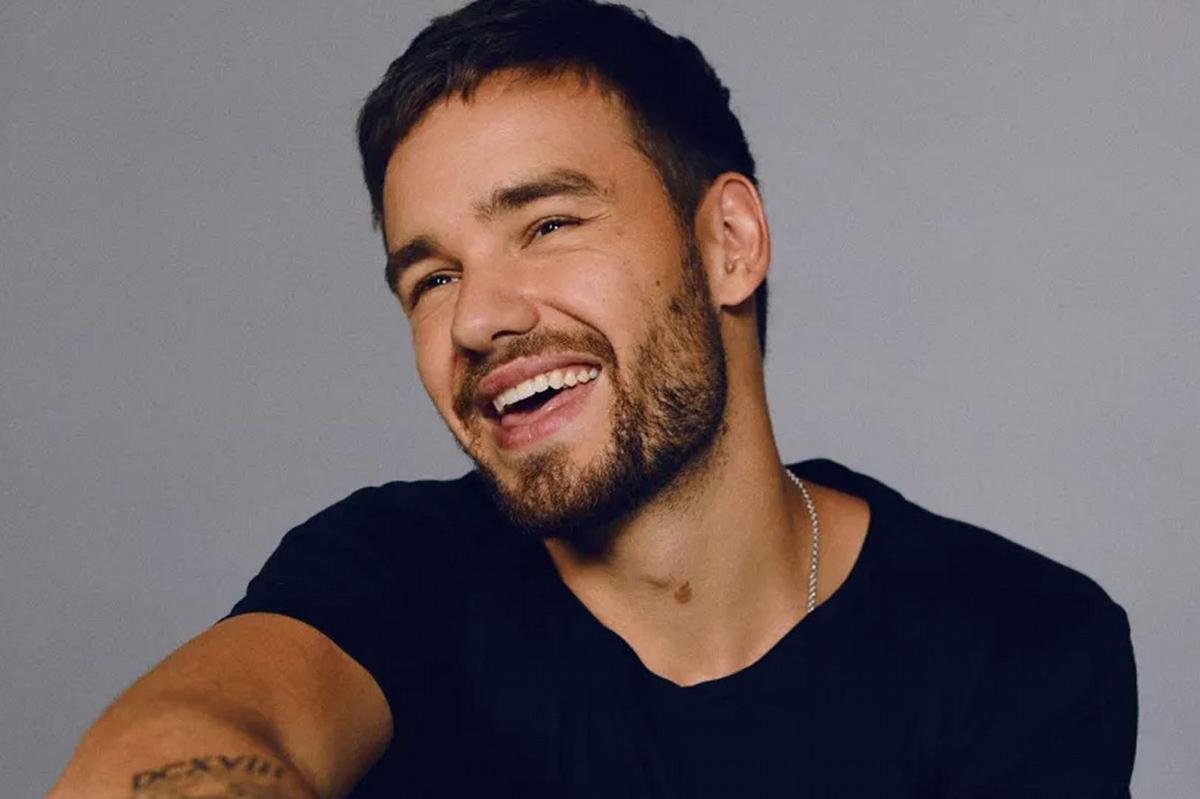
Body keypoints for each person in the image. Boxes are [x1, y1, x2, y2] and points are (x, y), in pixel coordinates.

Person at [48, 1, 1137, 797]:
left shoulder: (1020, 644)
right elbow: (164, 747)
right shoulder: (396, 574)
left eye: (548, 224)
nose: (478, 319)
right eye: (432, 278)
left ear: (728, 243)